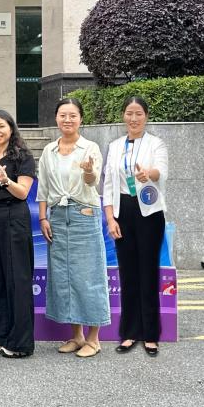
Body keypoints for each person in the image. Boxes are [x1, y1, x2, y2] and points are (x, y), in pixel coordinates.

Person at [37, 97, 109, 358]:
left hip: (83, 215)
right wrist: (43, 218)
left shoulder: (89, 148)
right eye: (63, 115)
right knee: (64, 277)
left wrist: (88, 171)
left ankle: (94, 339)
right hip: (57, 216)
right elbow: (43, 187)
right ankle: (77, 336)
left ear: (81, 119)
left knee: (89, 277)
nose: (67, 120)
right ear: (56, 118)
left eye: (73, 115)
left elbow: (92, 181)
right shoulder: (49, 151)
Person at [103, 96, 168, 358]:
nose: (133, 118)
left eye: (138, 113)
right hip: (123, 212)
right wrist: (110, 219)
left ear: (146, 116)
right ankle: (129, 332)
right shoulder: (114, 146)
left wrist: (147, 174)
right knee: (127, 274)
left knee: (148, 272)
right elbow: (108, 185)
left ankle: (150, 334)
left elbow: (161, 171)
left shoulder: (156, 143)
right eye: (129, 113)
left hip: (149, 212)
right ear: (123, 116)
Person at [0, 109, 36, 358]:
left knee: (17, 279)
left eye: (1, 126)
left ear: (11, 128)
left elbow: (23, 192)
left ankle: (19, 342)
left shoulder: (22, 156)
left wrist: (5, 180)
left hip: (15, 218)